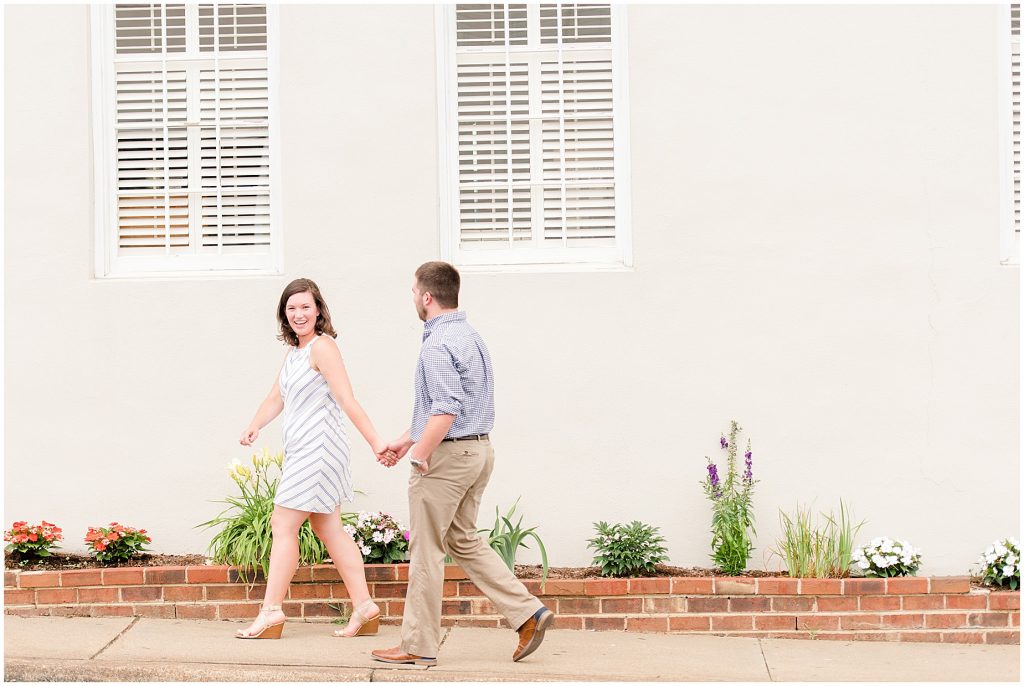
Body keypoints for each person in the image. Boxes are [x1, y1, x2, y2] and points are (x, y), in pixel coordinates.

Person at [370, 261, 554, 665]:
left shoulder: (436, 344)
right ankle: (528, 613)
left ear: (426, 296)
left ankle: (417, 646)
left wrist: (419, 457)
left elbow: (448, 409)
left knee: (426, 551)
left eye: (413, 291)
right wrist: (406, 440)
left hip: (448, 458)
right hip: (478, 452)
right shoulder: (470, 336)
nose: (413, 298)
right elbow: (459, 405)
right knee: (463, 539)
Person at [235, 278, 391, 640]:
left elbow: (348, 400)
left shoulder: (324, 348)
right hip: (304, 451)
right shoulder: (295, 353)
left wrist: (375, 441)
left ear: (318, 309)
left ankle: (271, 612)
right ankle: (365, 607)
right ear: (284, 315)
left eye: (305, 306)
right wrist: (254, 425)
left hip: (319, 450)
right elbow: (276, 397)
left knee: (282, 524)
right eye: (291, 308)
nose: (299, 314)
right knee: (328, 528)